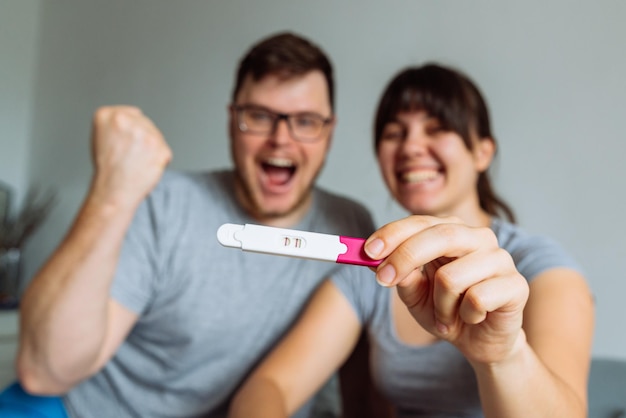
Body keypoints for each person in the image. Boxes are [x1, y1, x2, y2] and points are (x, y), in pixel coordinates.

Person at [0, 32, 375, 417]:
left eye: (306, 121)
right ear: (232, 121)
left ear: (329, 133)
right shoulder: (162, 202)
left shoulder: (352, 225)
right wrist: (111, 193)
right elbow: (44, 372)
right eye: (259, 117)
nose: (281, 139)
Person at [228, 63, 595, 418]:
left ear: (482, 151)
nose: (411, 147)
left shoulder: (539, 266)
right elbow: (269, 386)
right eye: (394, 133)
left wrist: (503, 355)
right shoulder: (369, 268)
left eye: (437, 128)